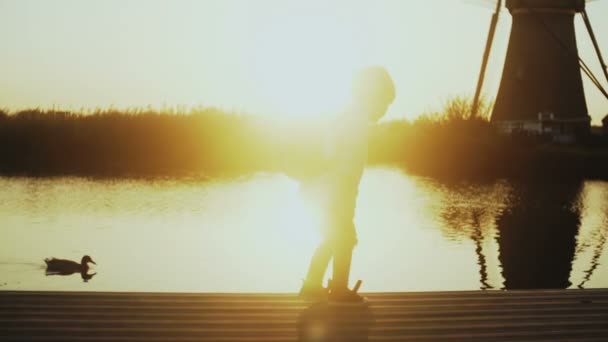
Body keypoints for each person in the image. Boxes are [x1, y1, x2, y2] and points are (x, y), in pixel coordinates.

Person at [299, 66, 396, 302]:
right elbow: (334, 154)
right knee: (344, 237)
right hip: (338, 187)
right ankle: (338, 288)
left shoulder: (347, 117)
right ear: (372, 98)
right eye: (383, 104)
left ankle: (312, 284)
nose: (384, 111)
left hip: (337, 186)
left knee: (335, 236)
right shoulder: (354, 121)